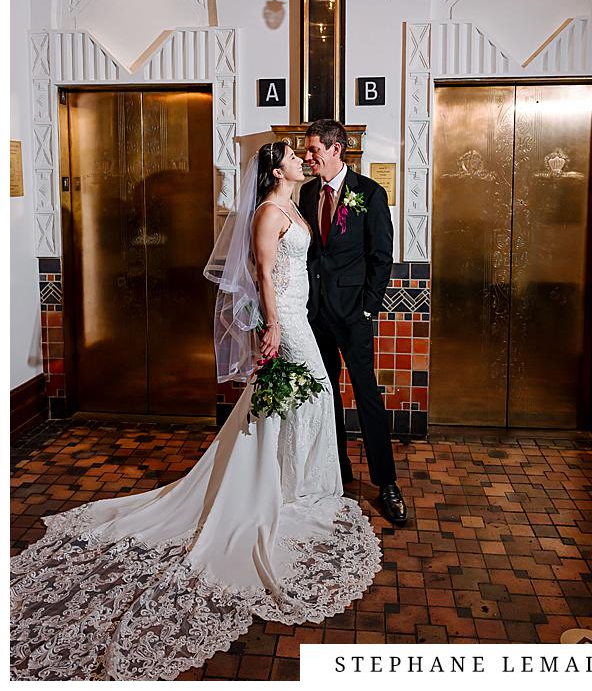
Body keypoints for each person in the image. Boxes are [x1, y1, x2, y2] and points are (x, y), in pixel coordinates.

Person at [9, 142, 381, 681]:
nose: (304, 161)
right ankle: (281, 486)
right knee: (306, 399)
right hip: (290, 326)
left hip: (303, 316)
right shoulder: (266, 213)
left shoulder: (294, 207)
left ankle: (296, 482)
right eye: (295, 158)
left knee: (303, 404)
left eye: (308, 155)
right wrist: (273, 327)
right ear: (277, 169)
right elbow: (262, 274)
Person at [299, 119, 407, 525]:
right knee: (325, 398)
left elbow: (382, 256)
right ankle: (337, 474)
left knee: (367, 397)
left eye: (314, 151)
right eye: (307, 152)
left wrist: (368, 309)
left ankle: (387, 483)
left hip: (354, 315)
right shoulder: (308, 193)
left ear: (336, 149)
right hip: (316, 315)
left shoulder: (370, 193)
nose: (309, 158)